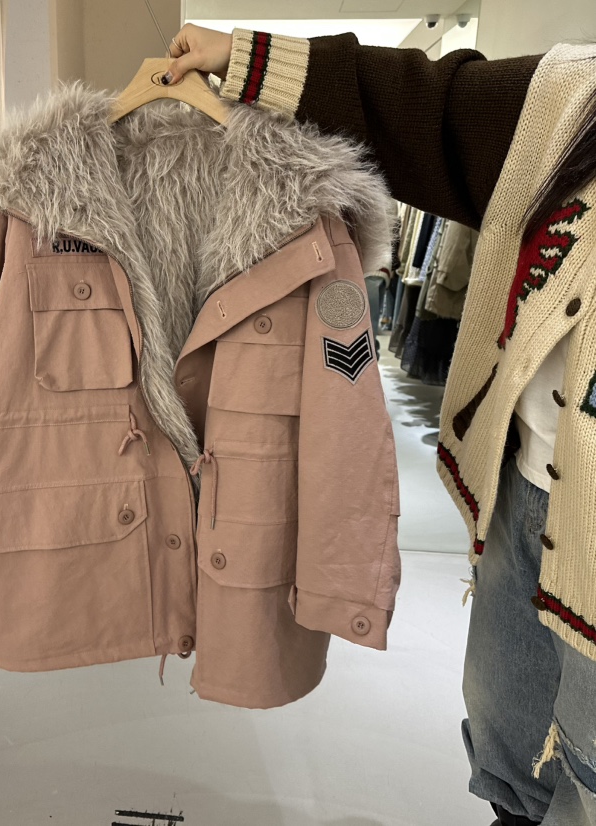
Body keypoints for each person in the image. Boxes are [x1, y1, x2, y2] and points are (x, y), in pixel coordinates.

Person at [161, 23, 596, 826]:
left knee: (590, 767)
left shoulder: (312, 246)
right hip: (523, 489)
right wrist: (250, 57)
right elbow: (428, 108)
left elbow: (346, 425)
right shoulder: (576, 99)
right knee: (507, 747)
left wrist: (342, 588)